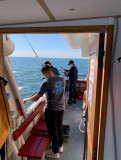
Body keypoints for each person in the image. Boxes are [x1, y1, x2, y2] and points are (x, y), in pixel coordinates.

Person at [23, 64, 66, 159]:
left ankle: (55, 152)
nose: (44, 76)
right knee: (59, 128)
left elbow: (36, 98)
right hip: (61, 108)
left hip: (51, 110)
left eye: (44, 75)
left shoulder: (46, 82)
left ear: (46, 73)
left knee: (53, 131)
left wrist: (26, 99)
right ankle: (60, 146)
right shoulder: (62, 79)